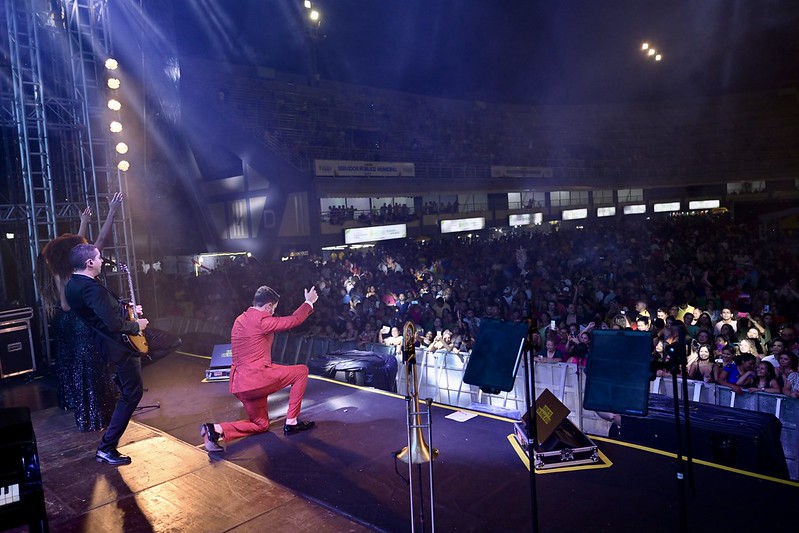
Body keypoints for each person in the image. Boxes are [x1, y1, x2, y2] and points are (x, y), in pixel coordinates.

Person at [201, 285, 319, 453]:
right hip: (257, 380)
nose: (272, 313)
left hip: (239, 384)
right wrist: (309, 302)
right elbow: (294, 320)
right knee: (301, 371)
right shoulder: (262, 321)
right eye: (273, 309)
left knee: (261, 425)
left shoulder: (239, 319)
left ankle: (216, 429)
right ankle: (291, 422)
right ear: (268, 306)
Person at [41, 194, 123, 431]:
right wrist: (112, 210)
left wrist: (84, 222)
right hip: (79, 324)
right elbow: (100, 240)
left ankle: (73, 403)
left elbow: (64, 305)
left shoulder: (59, 269)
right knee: (90, 369)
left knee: (73, 368)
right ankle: (96, 416)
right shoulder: (79, 268)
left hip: (64, 323)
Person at [65, 243, 149, 465]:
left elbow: (102, 312)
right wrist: (136, 325)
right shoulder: (90, 287)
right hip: (119, 345)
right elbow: (111, 323)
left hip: (110, 344)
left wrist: (127, 310)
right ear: (90, 263)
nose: (102, 261)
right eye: (99, 258)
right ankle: (106, 447)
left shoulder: (73, 284)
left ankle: (119, 378)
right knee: (132, 395)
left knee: (166, 342)